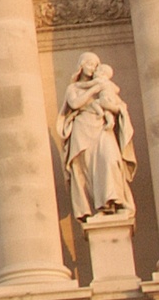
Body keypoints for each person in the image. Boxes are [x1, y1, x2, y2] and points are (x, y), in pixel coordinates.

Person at [58, 52, 137, 219]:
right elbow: (75, 103)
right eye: (89, 64)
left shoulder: (105, 85)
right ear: (81, 66)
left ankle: (117, 201)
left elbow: (118, 105)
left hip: (102, 128)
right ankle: (103, 208)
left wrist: (113, 109)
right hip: (82, 130)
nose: (92, 68)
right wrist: (94, 89)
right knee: (84, 170)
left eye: (95, 65)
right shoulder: (74, 88)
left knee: (110, 160)